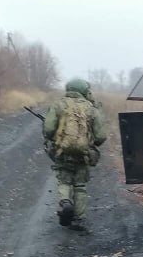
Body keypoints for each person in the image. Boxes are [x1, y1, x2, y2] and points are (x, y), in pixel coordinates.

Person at [42, 79, 108, 229]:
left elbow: (48, 129)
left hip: (62, 151)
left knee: (64, 180)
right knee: (80, 186)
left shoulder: (58, 104)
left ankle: (65, 202)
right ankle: (79, 218)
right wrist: (90, 145)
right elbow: (101, 135)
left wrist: (53, 140)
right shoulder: (91, 108)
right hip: (83, 153)